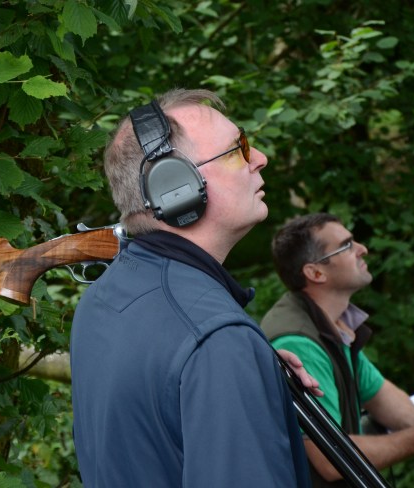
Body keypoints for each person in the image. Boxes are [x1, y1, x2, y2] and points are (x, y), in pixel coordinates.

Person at [70, 89, 319, 487]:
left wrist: (249, 369)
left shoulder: (103, 298)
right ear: (176, 185)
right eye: (238, 150)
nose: (259, 158)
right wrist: (230, 359)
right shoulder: (216, 340)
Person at [261, 212, 414, 487]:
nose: (362, 249)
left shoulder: (331, 326)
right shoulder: (299, 343)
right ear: (316, 273)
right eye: (347, 245)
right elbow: (330, 459)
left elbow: (383, 398)